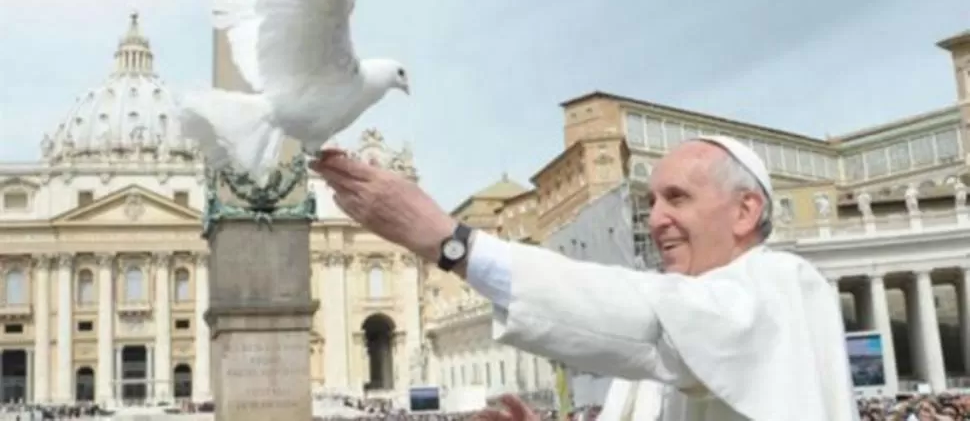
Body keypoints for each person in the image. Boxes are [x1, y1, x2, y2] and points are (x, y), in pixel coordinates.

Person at [311, 136, 859, 421]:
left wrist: (451, 243)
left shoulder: (785, 285)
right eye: (650, 201)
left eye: (678, 198)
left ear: (745, 212)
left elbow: (646, 316)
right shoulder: (678, 333)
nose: (656, 218)